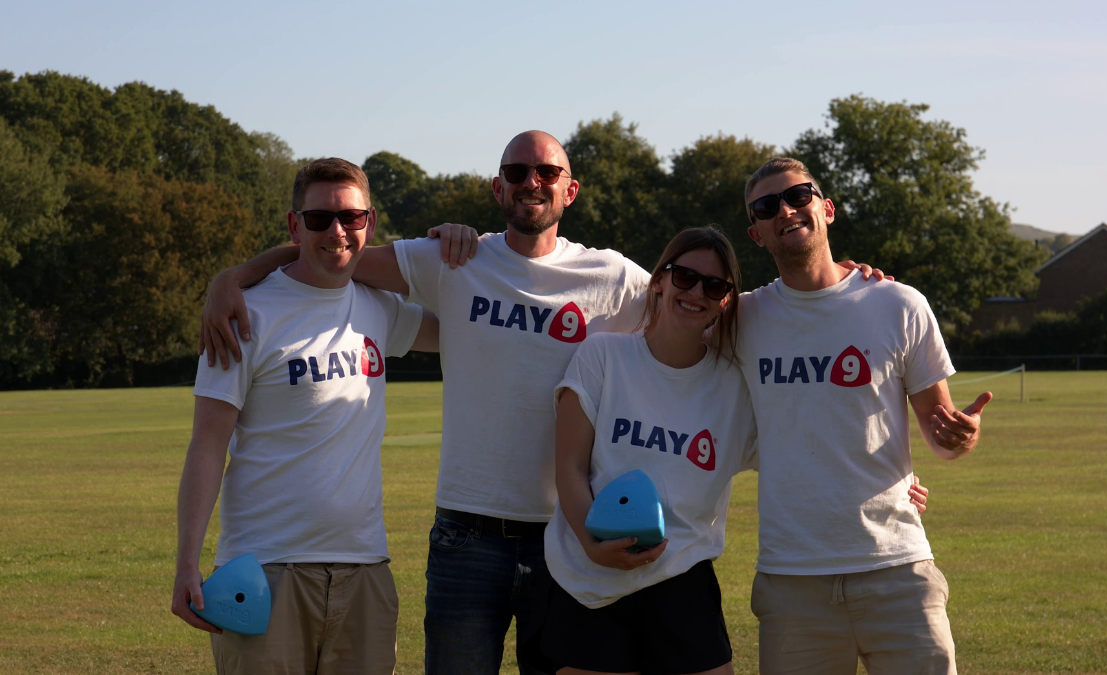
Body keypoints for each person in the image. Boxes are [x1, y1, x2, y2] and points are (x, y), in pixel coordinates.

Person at [198, 133, 886, 675]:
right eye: (517, 172)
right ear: (497, 186)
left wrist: (846, 289)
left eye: (546, 173)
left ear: (570, 189)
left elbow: (701, 308)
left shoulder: (614, 276)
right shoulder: (451, 260)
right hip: (466, 538)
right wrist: (236, 275)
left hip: (565, 539)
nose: (532, 182)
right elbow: (330, 255)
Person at [543, 227, 929, 675]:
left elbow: (808, 446)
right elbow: (568, 468)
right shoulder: (603, 357)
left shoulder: (735, 384)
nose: (697, 293)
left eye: (715, 285)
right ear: (659, 281)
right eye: (685, 276)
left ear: (727, 300)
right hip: (592, 581)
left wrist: (895, 484)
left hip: (682, 580)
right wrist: (593, 545)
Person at [170, 157, 439, 674]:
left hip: (366, 571)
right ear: (295, 226)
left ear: (371, 223)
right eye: (318, 220)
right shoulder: (245, 315)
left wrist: (460, 243)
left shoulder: (379, 308)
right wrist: (187, 561)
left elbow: (470, 328)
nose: (336, 231)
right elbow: (206, 445)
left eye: (351, 218)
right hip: (267, 572)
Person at [738, 157, 991, 675]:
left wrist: (962, 436)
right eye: (767, 206)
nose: (785, 210)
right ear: (757, 233)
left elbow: (941, 436)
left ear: (826, 208)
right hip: (793, 582)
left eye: (798, 196)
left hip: (897, 569)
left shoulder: (898, 304)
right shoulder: (740, 319)